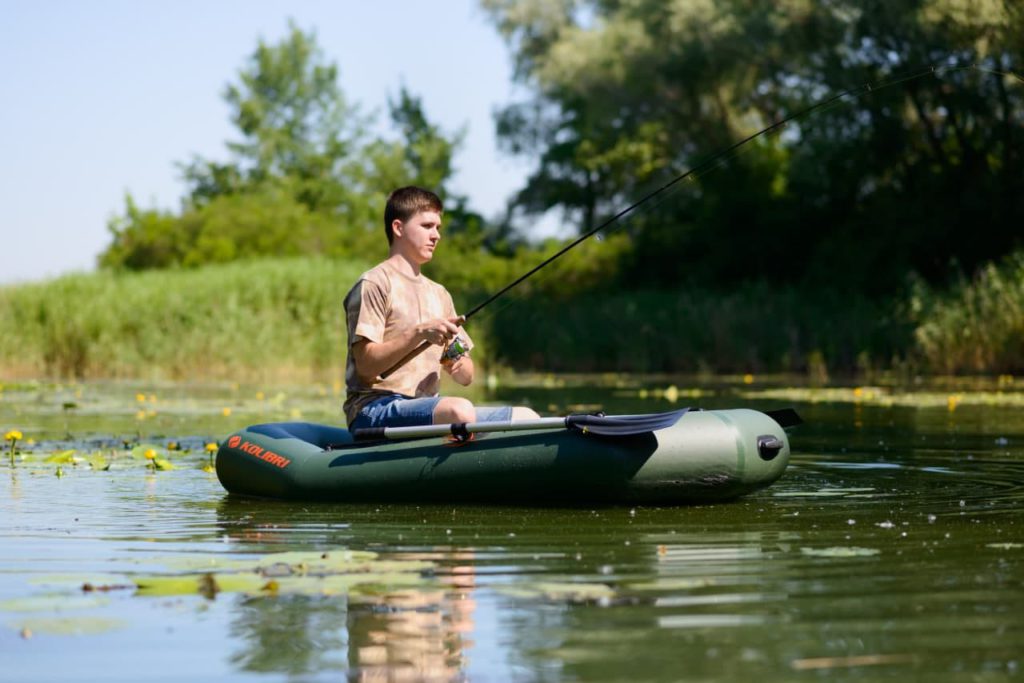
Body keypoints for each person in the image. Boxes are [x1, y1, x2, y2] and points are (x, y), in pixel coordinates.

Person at [343, 186, 538, 430]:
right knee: (459, 410)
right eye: (427, 226)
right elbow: (365, 366)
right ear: (398, 228)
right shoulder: (374, 283)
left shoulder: (440, 294)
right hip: (373, 410)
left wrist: (458, 365)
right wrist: (418, 333)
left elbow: (466, 376)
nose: (436, 235)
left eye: (438, 227)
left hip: (429, 409)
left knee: (526, 416)